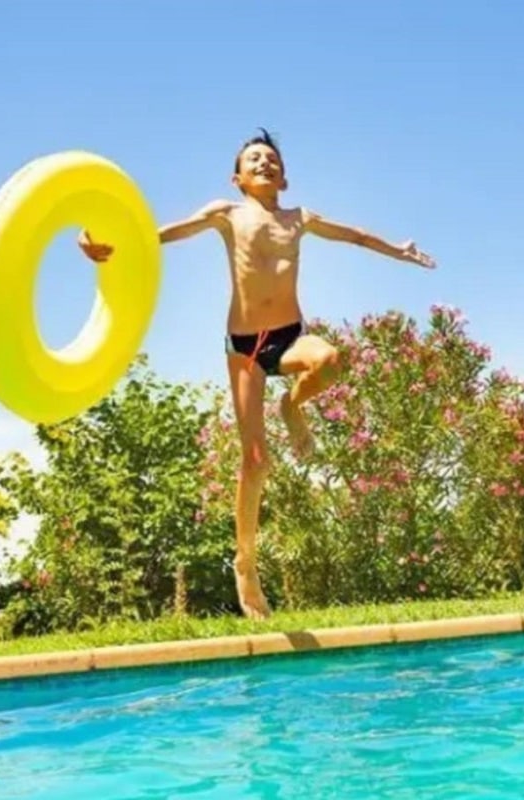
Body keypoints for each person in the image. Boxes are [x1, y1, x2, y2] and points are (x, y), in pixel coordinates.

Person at [78, 128, 435, 619]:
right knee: (255, 461)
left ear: (284, 177)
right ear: (237, 176)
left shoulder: (299, 219)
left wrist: (398, 249)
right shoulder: (226, 214)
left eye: (271, 158)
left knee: (330, 360)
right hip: (245, 348)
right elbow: (166, 234)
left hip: (289, 335)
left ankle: (292, 404)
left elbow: (353, 236)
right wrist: (109, 243)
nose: (264, 163)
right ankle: (245, 562)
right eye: (254, 158)